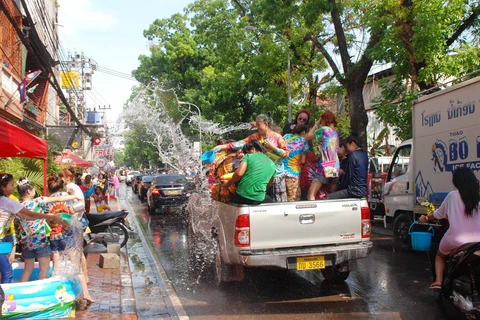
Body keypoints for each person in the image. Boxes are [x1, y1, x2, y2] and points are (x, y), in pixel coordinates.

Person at [0, 173, 64, 310]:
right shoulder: (9, 201)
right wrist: (51, 217)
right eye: (11, 185)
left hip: (25, 244)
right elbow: (31, 215)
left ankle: (14, 298)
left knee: (22, 270)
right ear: (3, 187)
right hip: (39, 242)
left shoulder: (10, 202)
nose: (13, 188)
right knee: (9, 273)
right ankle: (4, 303)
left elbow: (25, 217)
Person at [419, 167, 480, 289]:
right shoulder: (477, 197)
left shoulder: (452, 196)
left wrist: (425, 218)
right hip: (477, 241)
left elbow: (439, 214)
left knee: (440, 255)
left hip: (456, 240)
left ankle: (438, 281)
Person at [16, 177, 79, 282]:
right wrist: (73, 196)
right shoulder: (37, 201)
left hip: (26, 242)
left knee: (27, 270)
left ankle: (20, 292)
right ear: (28, 191)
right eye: (33, 189)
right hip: (40, 241)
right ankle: (40, 293)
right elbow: (58, 199)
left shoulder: (18, 207)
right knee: (44, 270)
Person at [215, 114, 289, 202]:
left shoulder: (277, 137)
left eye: (258, 125)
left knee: (277, 203)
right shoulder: (256, 136)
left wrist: (273, 148)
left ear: (266, 124)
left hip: (275, 175)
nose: (257, 128)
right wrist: (224, 146)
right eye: (256, 125)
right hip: (261, 176)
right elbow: (241, 143)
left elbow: (286, 154)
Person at [58, 168, 94, 304]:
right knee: (78, 253)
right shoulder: (75, 187)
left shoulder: (70, 187)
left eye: (61, 177)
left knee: (76, 254)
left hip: (75, 222)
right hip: (78, 221)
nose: (60, 180)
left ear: (66, 178)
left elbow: (77, 203)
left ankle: (83, 281)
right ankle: (85, 277)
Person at [222, 140, 276, 205]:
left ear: (253, 149)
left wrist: (228, 183)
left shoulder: (248, 156)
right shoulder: (272, 164)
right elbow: (269, 184)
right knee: (271, 202)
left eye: (247, 152)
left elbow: (239, 174)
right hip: (259, 198)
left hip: (242, 196)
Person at [305, 110, 340, 200]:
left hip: (325, 166)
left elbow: (308, 136)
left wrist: (316, 124)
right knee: (332, 195)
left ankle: (314, 212)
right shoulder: (335, 132)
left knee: (311, 194)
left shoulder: (324, 130)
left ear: (324, 120)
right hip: (335, 166)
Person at [323, 133, 368, 200]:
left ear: (352, 144)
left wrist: (340, 188)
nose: (347, 150)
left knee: (327, 198)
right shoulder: (364, 155)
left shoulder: (353, 155)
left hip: (353, 190)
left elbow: (349, 175)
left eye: (347, 147)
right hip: (362, 189)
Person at [283, 124, 309, 201]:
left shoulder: (285, 136)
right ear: (303, 132)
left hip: (281, 172)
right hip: (293, 174)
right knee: (293, 198)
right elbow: (303, 161)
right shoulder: (303, 141)